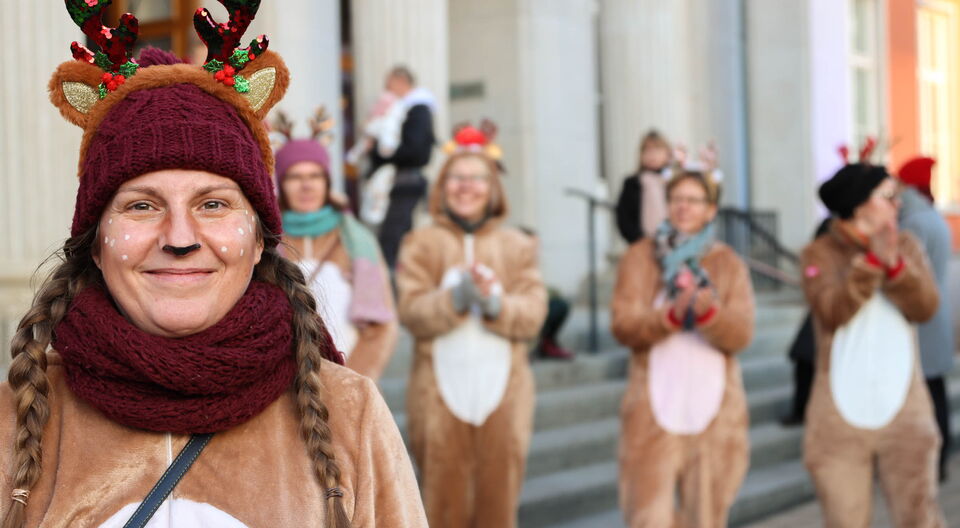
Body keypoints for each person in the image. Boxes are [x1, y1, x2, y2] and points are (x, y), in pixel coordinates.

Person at [0, 4, 427, 527]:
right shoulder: (15, 421)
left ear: (256, 240)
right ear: (95, 243)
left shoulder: (349, 413)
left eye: (213, 204)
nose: (180, 238)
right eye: (142, 205)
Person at [396, 125, 547, 527]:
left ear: (492, 187)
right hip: (437, 398)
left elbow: (533, 311)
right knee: (442, 506)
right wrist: (455, 299)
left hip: (505, 398)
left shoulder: (517, 245)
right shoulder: (421, 243)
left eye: (476, 179)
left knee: (499, 507)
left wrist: (496, 304)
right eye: (457, 178)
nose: (467, 188)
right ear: (443, 186)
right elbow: (411, 311)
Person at [802, 151, 943, 526]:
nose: (898, 203)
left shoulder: (908, 244)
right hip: (838, 418)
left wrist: (895, 265)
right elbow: (831, 311)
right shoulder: (820, 252)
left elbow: (926, 306)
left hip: (905, 410)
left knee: (919, 516)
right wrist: (871, 266)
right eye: (888, 195)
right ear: (860, 204)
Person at [611, 166, 754, 527]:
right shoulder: (640, 257)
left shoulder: (727, 263)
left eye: (693, 200)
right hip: (654, 407)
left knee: (706, 517)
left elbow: (741, 333)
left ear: (710, 209)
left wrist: (709, 316)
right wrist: (669, 318)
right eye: (676, 199)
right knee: (648, 517)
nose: (683, 207)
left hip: (714, 409)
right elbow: (624, 325)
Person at [274, 115, 398, 381]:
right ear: (281, 184)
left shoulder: (356, 239)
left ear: (327, 182)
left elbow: (381, 326)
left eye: (315, 176)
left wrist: (353, 382)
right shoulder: (266, 241)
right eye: (295, 176)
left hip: (350, 380)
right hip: (283, 385)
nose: (306, 185)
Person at [897, 156, 954, 482]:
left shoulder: (914, 223)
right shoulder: (933, 217)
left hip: (920, 323)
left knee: (927, 399)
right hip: (935, 319)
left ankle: (932, 462)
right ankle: (939, 461)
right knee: (936, 394)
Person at [367, 66, 437, 269]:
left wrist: (379, 154)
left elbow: (415, 151)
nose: (386, 90)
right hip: (400, 181)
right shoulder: (405, 109)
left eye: (389, 85)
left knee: (392, 239)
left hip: (403, 183)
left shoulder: (417, 109)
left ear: (401, 82)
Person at [780, 217, 832, 427]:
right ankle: (801, 409)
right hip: (820, 312)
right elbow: (811, 268)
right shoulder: (829, 230)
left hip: (835, 310)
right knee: (805, 359)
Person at [615, 130, 673, 243]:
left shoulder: (675, 181)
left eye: (657, 150)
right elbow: (624, 218)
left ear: (667, 153)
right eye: (647, 150)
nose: (652, 155)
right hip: (643, 243)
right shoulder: (632, 183)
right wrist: (638, 240)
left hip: (673, 242)